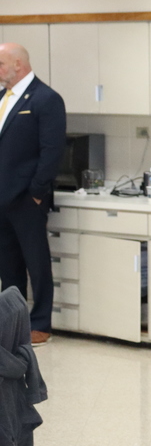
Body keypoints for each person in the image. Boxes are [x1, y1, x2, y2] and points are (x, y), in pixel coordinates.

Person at [0, 43, 67, 347]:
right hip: (3, 197)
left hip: (27, 198)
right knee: (8, 264)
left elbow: (52, 151)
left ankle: (41, 323)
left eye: (1, 64)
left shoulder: (45, 99)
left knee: (36, 263)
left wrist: (37, 193)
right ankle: (14, 323)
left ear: (18, 64)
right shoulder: (4, 97)